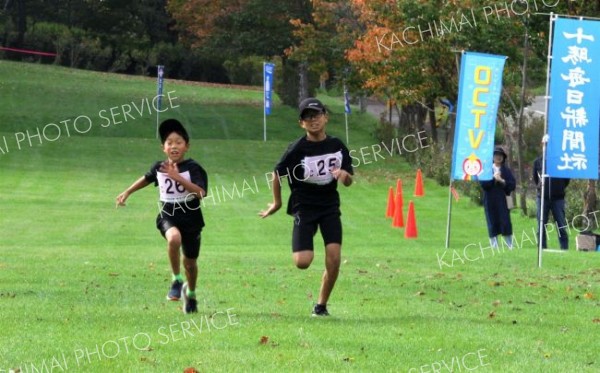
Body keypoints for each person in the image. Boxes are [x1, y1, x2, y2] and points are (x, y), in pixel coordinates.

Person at [259, 97, 353, 317]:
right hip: (304, 207)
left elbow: (348, 180)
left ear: (325, 117)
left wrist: (343, 175)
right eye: (307, 118)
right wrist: (277, 202)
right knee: (302, 262)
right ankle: (304, 246)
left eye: (317, 115)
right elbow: (276, 173)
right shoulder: (297, 149)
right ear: (301, 123)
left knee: (334, 257)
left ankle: (321, 306)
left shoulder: (337, 145)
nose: (313, 121)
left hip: (329, 207)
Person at [116, 119, 208, 313]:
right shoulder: (160, 167)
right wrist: (127, 192)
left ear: (187, 146)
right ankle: (176, 279)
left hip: (191, 219)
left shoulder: (193, 168)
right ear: (163, 148)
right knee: (174, 239)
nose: (174, 146)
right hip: (169, 215)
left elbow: (201, 193)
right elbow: (146, 178)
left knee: (190, 263)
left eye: (178, 142)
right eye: (169, 142)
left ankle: (190, 294)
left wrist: (178, 178)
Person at [480, 147, 516, 249]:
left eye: (500, 155)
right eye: (496, 155)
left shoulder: (506, 170)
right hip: (490, 200)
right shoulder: (487, 170)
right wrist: (493, 179)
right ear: (492, 157)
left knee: (505, 221)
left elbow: (512, 185)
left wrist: (502, 181)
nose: (498, 157)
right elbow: (483, 184)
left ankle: (510, 245)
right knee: (492, 221)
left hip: (503, 200)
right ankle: (494, 246)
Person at [533, 154, 570, 250]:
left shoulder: (561, 160)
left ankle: (564, 248)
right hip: (542, 198)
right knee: (541, 224)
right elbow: (535, 179)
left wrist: (559, 188)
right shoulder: (538, 161)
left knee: (561, 224)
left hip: (558, 199)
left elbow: (566, 179)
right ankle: (542, 248)